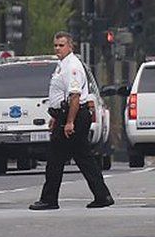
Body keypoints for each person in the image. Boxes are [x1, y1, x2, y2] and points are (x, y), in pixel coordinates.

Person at [29, 31, 114, 210]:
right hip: (66, 115)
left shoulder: (72, 66)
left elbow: (74, 96)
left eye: (61, 45)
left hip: (74, 115)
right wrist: (56, 117)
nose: (58, 48)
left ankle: (49, 199)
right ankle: (102, 195)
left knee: (55, 160)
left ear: (70, 46)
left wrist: (69, 122)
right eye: (56, 45)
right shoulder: (62, 64)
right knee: (84, 158)